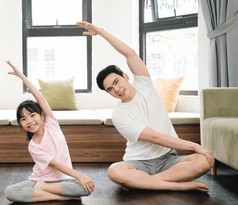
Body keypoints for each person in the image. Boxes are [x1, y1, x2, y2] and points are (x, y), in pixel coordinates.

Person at [77, 21, 214, 193]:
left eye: (116, 82)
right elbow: (155, 137)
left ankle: (149, 183)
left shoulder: (144, 84)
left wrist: (102, 31)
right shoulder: (119, 115)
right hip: (139, 163)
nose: (117, 89)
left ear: (125, 76)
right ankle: (176, 185)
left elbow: (130, 54)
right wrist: (194, 145)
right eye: (110, 89)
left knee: (204, 160)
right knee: (115, 171)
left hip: (169, 159)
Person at [4, 60, 95, 202]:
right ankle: (62, 198)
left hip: (64, 180)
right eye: (23, 119)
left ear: (41, 115)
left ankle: (44, 191)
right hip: (39, 180)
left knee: (86, 187)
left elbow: (39, 97)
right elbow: (55, 164)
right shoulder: (33, 146)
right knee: (10, 192)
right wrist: (80, 175)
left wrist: (22, 76)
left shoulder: (51, 124)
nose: (29, 121)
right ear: (21, 124)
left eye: (32, 115)